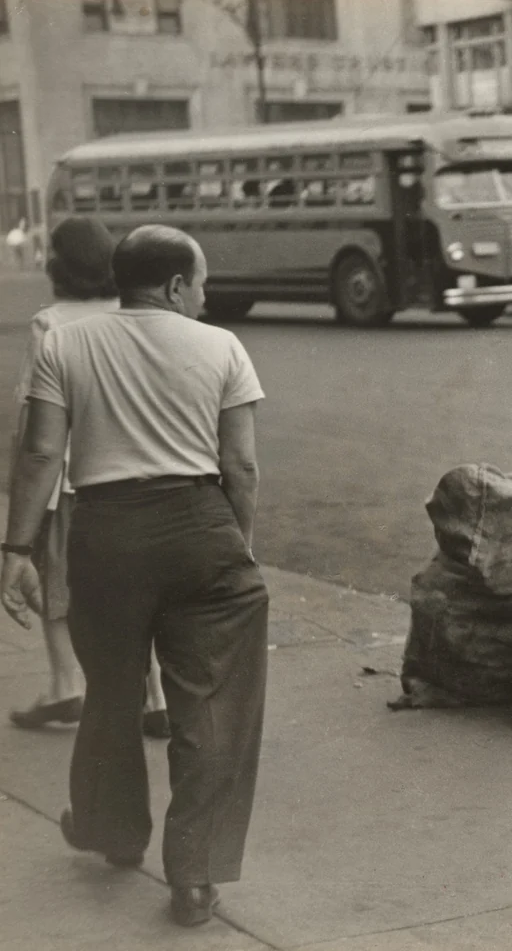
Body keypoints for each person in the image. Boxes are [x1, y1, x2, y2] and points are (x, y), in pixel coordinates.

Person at [1, 224, 269, 928]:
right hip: (199, 527)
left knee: (112, 694)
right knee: (212, 705)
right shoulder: (222, 347)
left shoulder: (67, 343)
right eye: (201, 283)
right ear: (177, 286)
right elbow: (239, 466)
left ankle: (114, 831)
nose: (205, 296)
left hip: (105, 535)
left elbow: (38, 456)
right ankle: (195, 875)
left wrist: (16, 551)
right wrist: (238, 545)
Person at [8, 217, 169, 738]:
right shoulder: (134, 312)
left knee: (56, 583)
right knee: (136, 587)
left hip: (71, 482)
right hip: (136, 475)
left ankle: (64, 684)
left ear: (58, 267)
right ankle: (156, 698)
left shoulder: (50, 323)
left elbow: (33, 418)